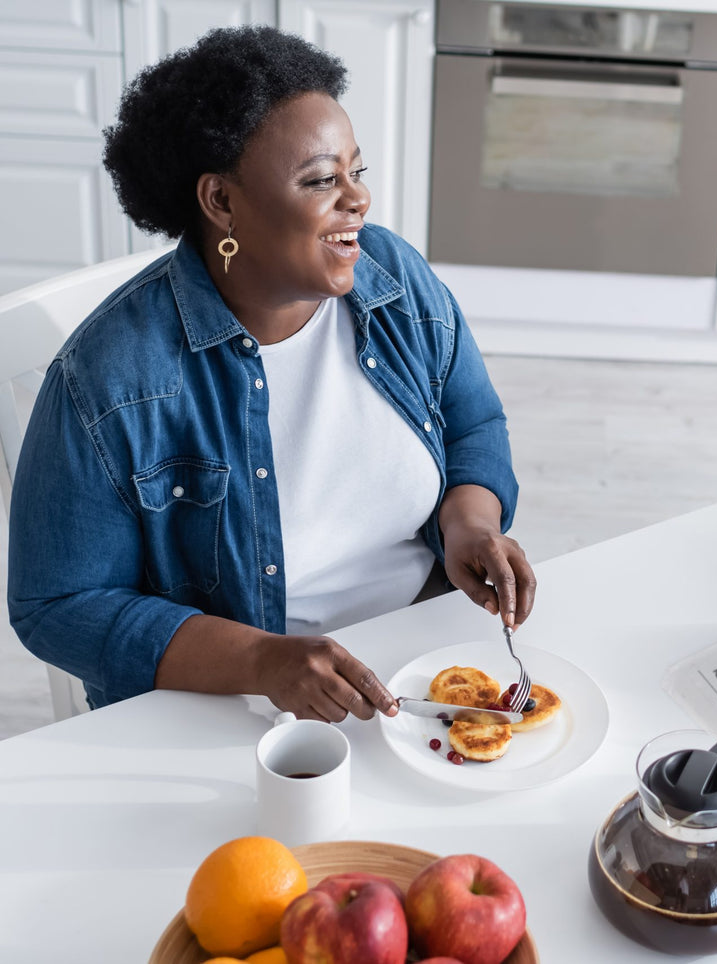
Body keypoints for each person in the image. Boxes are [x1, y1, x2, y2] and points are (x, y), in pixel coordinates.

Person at [7, 26, 535, 722]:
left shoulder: (392, 276)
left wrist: (469, 523)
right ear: (221, 202)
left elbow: (471, 419)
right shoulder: (110, 379)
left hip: (423, 658)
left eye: (357, 172)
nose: (358, 201)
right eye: (321, 179)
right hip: (241, 703)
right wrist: (262, 660)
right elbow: (58, 605)